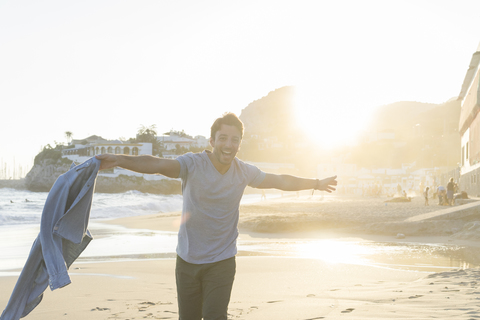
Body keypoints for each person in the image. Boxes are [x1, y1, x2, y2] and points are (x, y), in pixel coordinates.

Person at [95, 113, 337, 320]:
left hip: (221, 261)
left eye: (234, 140)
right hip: (187, 261)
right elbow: (157, 164)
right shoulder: (192, 164)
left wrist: (316, 182)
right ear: (212, 141)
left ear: (240, 144)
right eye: (223, 138)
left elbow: (281, 181)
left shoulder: (244, 172)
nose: (228, 145)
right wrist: (119, 160)